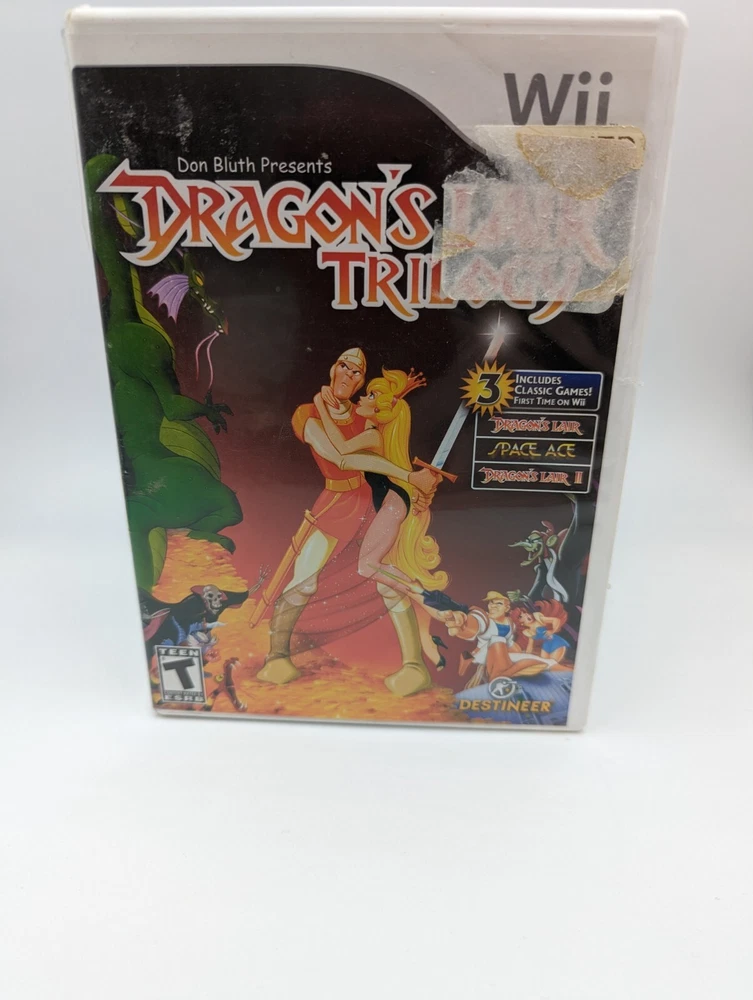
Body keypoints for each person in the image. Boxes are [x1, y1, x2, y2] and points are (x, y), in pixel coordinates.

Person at [256, 349, 440, 696]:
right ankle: (277, 657)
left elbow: (372, 452)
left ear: (361, 381)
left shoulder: (365, 415)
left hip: (375, 500)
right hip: (336, 503)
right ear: (333, 367)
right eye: (344, 365)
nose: (349, 374)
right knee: (304, 578)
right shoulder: (306, 413)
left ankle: (414, 667)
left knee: (386, 580)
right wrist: (409, 478)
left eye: (357, 372)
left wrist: (411, 486)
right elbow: (338, 457)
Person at [512, 599, 571, 664]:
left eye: (525, 612)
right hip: (546, 645)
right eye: (520, 616)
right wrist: (526, 656)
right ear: (520, 622)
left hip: (556, 642)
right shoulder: (528, 632)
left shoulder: (538, 619)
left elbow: (556, 620)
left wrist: (552, 631)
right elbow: (530, 646)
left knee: (552, 664)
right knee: (545, 664)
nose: (526, 615)